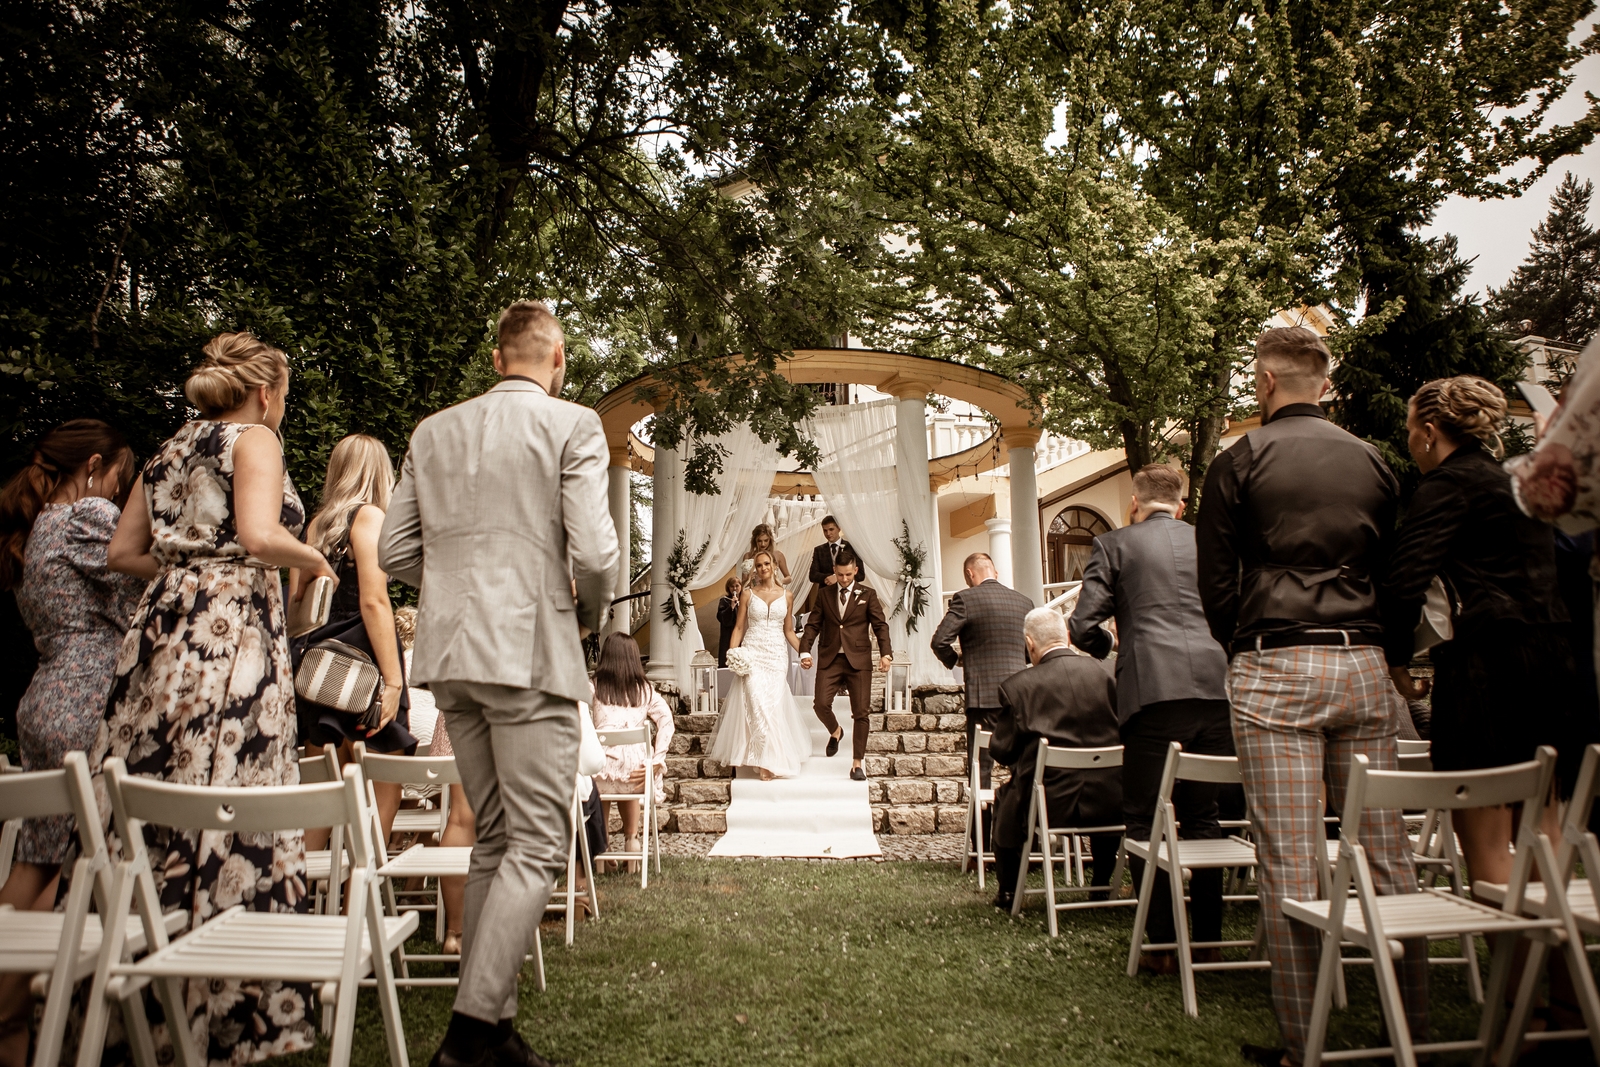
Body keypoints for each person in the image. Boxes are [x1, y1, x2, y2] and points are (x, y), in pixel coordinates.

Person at [379, 299, 618, 1067]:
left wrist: (456, 590)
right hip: (529, 648)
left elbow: (393, 551)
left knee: (495, 835)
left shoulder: (432, 430)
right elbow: (597, 553)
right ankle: (469, 1035)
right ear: (558, 359)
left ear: (496, 359)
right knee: (541, 839)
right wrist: (583, 617)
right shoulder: (573, 424)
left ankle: (496, 1029)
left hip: (450, 652)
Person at [98, 332, 336, 1063]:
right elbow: (260, 536)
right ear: (266, 391)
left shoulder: (169, 447)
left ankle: (133, 998)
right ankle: (224, 1008)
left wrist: (187, 571)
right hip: (233, 640)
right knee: (230, 792)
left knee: (153, 791)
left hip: (160, 640)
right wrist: (315, 557)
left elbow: (122, 555)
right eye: (284, 395)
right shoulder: (255, 437)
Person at [1196, 326, 1424, 1067]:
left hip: (1277, 660)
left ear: (1265, 381)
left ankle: (1305, 1042)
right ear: (1324, 383)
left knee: (1290, 858)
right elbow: (1396, 569)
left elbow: (1216, 581)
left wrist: (1242, 644)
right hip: (1363, 660)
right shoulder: (1373, 459)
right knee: (1386, 853)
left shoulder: (1239, 460)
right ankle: (1412, 1028)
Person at [1382, 378, 1584, 884]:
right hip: (1554, 661)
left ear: (1430, 432)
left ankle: (1509, 938)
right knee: (1544, 825)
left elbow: (1404, 581)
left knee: (1485, 833)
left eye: (1411, 431)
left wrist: (1397, 660)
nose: (1411, 441)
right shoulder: (1516, 483)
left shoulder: (1446, 485)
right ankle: (1556, 935)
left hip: (1489, 667)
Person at [0, 420, 142, 1067]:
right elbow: (140, 585)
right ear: (93, 465)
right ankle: (13, 1008)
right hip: (85, 700)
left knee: (35, 862)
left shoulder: (37, 526)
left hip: (44, 698)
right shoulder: (87, 515)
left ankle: (12, 1024)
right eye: (119, 479)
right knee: (76, 867)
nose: (119, 493)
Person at [1069, 463, 1232, 975]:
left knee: (1144, 817)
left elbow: (1082, 624)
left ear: (1134, 504)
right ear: (1181, 506)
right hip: (1216, 688)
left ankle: (1162, 944)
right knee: (1204, 815)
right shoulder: (1211, 541)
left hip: (1152, 690)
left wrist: (1110, 645)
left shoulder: (1115, 544)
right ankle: (1208, 941)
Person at [294, 433, 415, 846]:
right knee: (384, 790)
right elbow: (374, 601)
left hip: (319, 667)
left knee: (323, 798)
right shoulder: (369, 517)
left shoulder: (315, 527)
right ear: (380, 473)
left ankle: (305, 886)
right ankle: (360, 888)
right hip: (364, 663)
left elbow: (298, 608)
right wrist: (393, 682)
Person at [989, 608, 1122, 913]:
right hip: (1114, 800)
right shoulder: (1111, 674)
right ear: (1068, 638)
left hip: (1048, 803)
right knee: (1104, 784)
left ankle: (1008, 890)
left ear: (1029, 643)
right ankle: (1101, 884)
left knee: (1006, 797)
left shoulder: (1018, 687)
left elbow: (1002, 750)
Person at [930, 551, 1033, 789]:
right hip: (1019, 697)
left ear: (969, 573)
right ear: (995, 572)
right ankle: (1022, 808)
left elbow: (940, 641)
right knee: (1021, 765)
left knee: (981, 768)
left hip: (983, 698)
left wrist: (957, 660)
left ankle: (981, 813)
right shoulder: (1024, 602)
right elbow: (1031, 649)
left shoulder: (965, 599)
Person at [707, 551, 812, 779]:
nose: (763, 568)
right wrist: (733, 653)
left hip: (776, 655)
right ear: (755, 568)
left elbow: (789, 631)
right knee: (756, 702)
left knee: (772, 704)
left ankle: (770, 758)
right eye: (759, 565)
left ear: (774, 566)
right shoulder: (747, 594)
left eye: (766, 564)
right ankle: (764, 758)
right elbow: (739, 627)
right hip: (753, 651)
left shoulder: (787, 596)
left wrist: (804, 652)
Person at [799, 549, 892, 781]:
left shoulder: (868, 594)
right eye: (840, 575)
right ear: (834, 571)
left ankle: (857, 763)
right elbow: (813, 624)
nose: (844, 579)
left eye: (848, 575)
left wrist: (886, 654)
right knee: (820, 704)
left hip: (858, 660)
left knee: (861, 712)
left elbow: (880, 625)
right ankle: (836, 731)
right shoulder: (824, 594)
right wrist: (804, 650)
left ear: (856, 571)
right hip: (830, 658)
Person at [590, 633, 675, 867]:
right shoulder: (645, 690)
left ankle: (603, 844)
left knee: (603, 774)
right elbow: (666, 720)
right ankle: (632, 840)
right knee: (631, 769)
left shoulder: (594, 686)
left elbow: (575, 712)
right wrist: (657, 759)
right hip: (635, 775)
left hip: (601, 772)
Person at [801, 515, 855, 618]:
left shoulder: (851, 547)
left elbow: (860, 574)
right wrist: (827, 578)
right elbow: (813, 575)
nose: (828, 533)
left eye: (831, 529)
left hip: (848, 597)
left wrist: (837, 577)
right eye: (825, 530)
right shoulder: (819, 550)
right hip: (826, 598)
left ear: (839, 528)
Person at [716, 576, 741, 667]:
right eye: (732, 586)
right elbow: (721, 617)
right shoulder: (724, 601)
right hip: (728, 635)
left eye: (737, 586)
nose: (734, 588)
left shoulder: (744, 600)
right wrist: (731, 607)